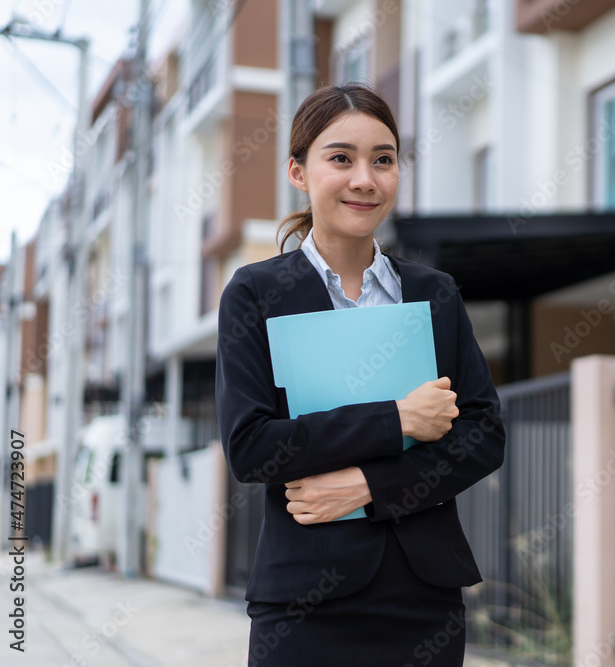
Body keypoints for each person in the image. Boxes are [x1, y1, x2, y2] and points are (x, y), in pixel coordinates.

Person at [215, 83, 506, 665]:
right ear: (298, 170)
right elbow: (252, 448)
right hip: (303, 606)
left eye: (384, 160)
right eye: (341, 158)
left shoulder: (434, 293)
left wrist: (373, 488)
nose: (365, 179)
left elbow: (483, 436)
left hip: (423, 599)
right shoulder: (256, 292)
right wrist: (398, 418)